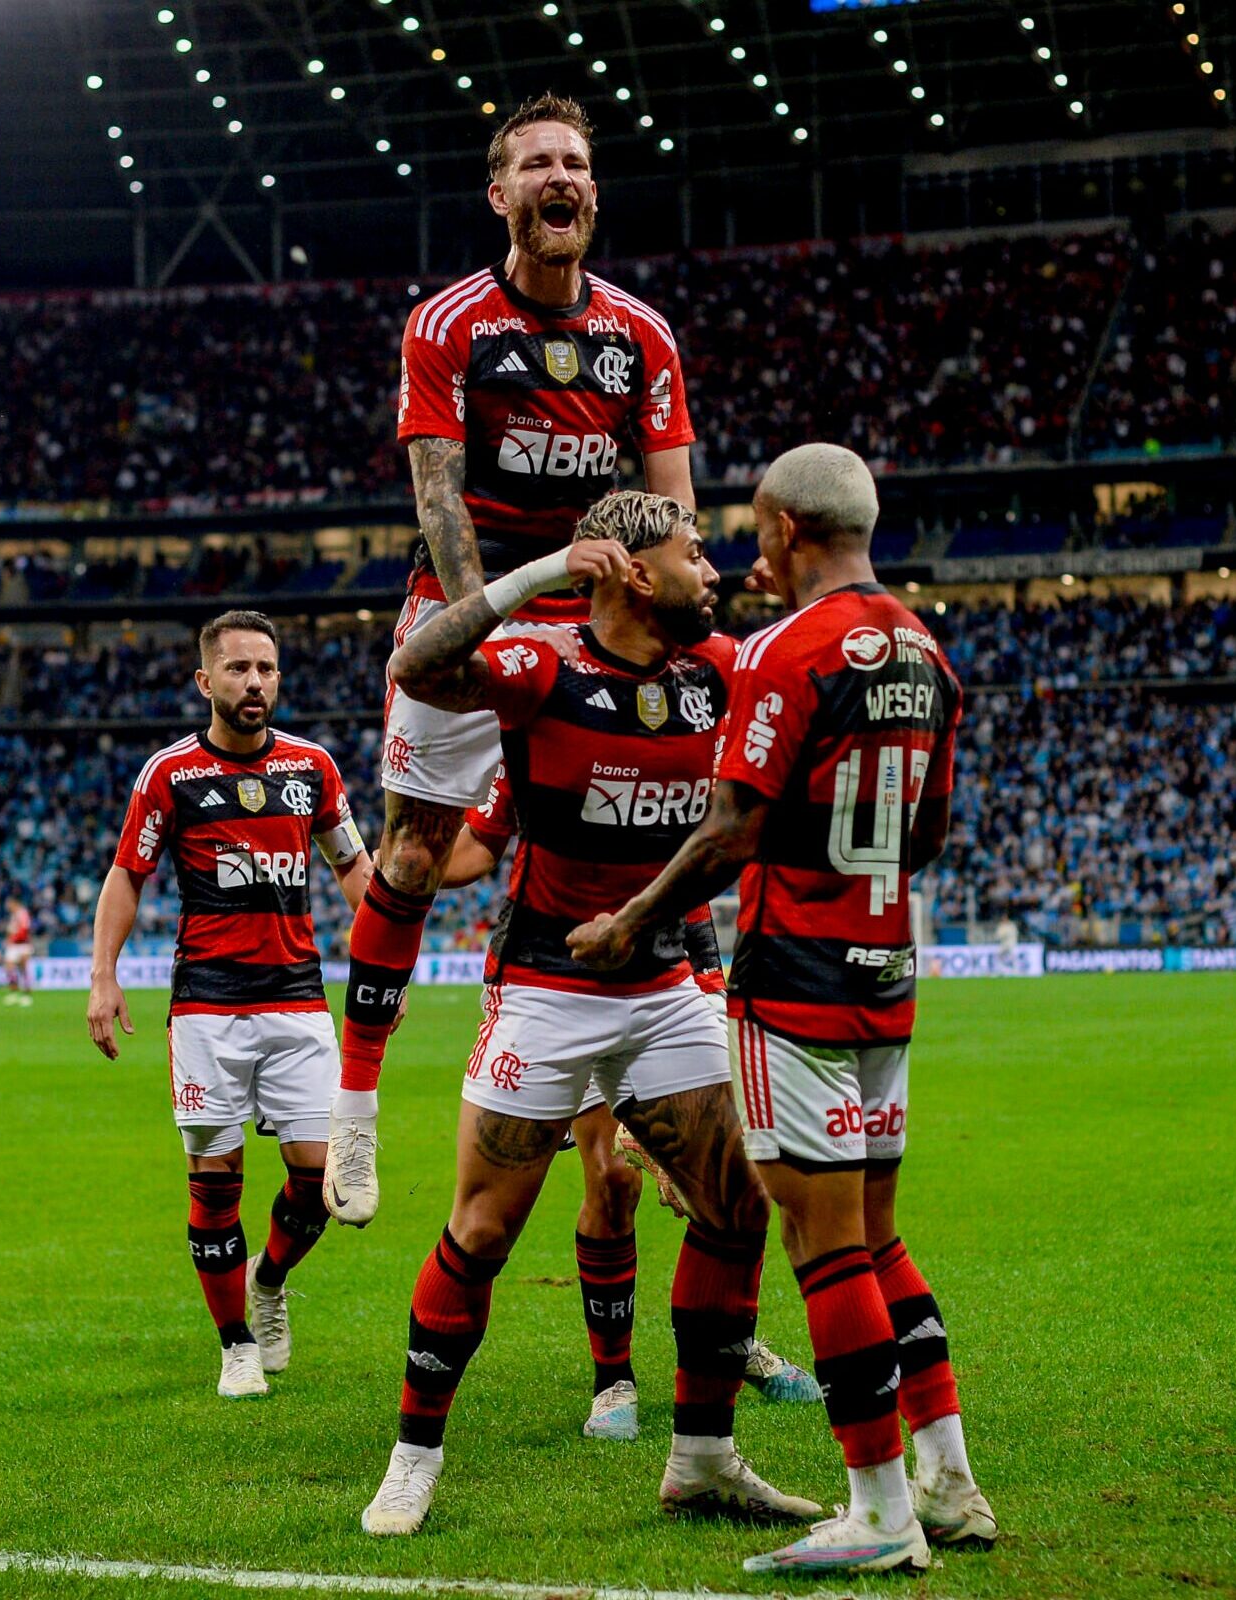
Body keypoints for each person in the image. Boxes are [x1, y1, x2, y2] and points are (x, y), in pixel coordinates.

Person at [568, 444, 991, 1576]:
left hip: (796, 976)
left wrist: (629, 922)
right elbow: (933, 835)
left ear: (779, 530)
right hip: (887, 971)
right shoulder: (926, 651)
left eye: (748, 530)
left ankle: (879, 1508)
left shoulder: (781, 651)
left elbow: (729, 829)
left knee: (822, 1240)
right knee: (878, 1232)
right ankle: (949, 1480)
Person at [358, 492, 811, 1537]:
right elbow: (415, 668)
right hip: (546, 992)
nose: (714, 572)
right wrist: (534, 575)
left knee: (738, 1206)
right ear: (632, 574)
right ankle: (413, 1455)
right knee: (481, 1230)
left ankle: (701, 1458)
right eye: (694, 557)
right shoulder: (544, 665)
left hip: (662, 992)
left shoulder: (719, 671)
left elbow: (810, 680)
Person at [327, 91, 695, 1227]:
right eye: (537, 162)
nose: (560, 178)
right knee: (411, 853)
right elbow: (440, 508)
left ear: (593, 192)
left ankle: (676, 1104)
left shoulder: (641, 336)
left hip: (597, 622)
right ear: (501, 195)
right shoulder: (446, 324)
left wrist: (655, 617)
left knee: (649, 837)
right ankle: (353, 1109)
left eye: (576, 163)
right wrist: (507, 606)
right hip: (473, 610)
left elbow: (673, 510)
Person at [443, 771, 820, 1436]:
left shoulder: (683, 718)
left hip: (665, 961)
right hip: (561, 972)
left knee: (728, 1182)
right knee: (612, 1179)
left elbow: (698, 867)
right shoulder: (554, 712)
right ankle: (613, 1378)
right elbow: (483, 843)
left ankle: (735, 1345)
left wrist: (706, 986)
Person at [87, 610, 374, 1399]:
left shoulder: (314, 768)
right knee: (214, 1182)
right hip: (208, 1009)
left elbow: (355, 868)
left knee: (321, 1186)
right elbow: (127, 875)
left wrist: (384, 961)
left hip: (298, 1003)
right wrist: (103, 976)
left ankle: (268, 1282)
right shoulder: (169, 775)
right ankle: (236, 1343)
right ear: (205, 681)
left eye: (267, 669)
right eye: (240, 669)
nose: (255, 682)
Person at [1, 897, 36, 1007]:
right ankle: (14, 992)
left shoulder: (22, 913)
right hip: (13, 945)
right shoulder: (14, 915)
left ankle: (27, 995)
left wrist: (12, 939)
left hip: (22, 945)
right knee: (9, 968)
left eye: (9, 904)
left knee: (23, 969)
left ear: (14, 903)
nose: (7, 907)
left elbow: (24, 930)